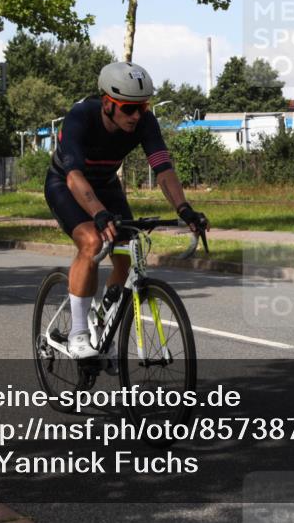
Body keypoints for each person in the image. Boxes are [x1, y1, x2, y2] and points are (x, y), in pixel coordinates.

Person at [45, 61, 208, 360]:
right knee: (93, 242)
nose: (136, 115)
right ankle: (78, 333)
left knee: (128, 248)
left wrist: (185, 209)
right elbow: (74, 177)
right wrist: (98, 213)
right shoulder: (80, 118)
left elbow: (163, 169)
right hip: (66, 184)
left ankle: (103, 313)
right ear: (107, 103)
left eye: (142, 107)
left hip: (106, 184)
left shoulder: (145, 122)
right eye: (128, 108)